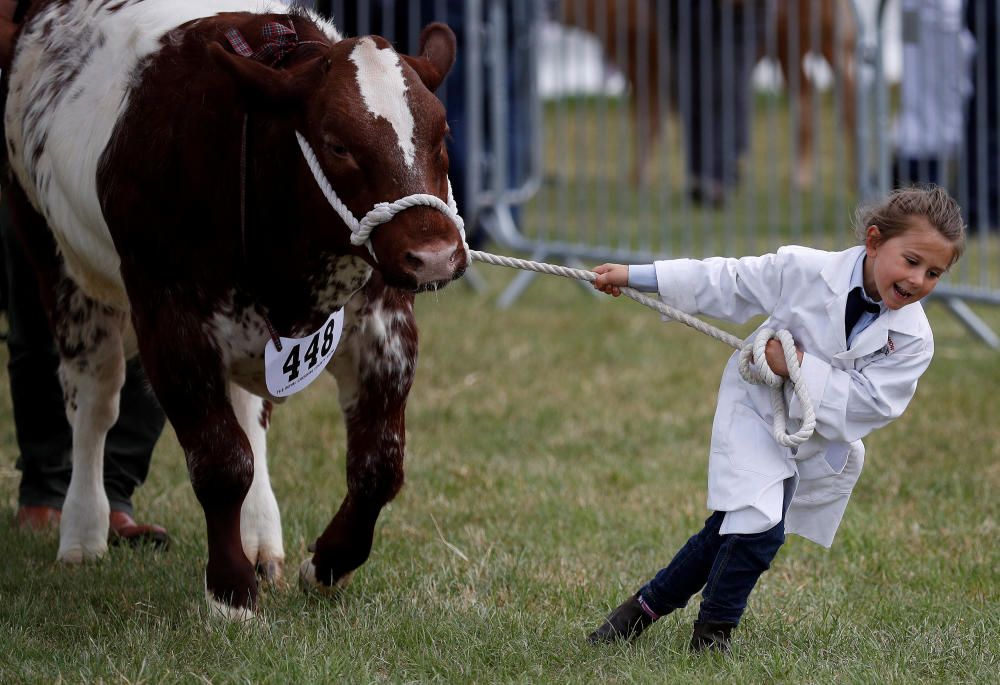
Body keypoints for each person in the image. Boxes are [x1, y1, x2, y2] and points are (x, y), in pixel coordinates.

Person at [587, 186, 966, 652]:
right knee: (760, 528)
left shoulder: (914, 339)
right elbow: (727, 281)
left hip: (814, 437)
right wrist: (636, 276)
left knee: (730, 529)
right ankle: (712, 637)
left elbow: (872, 404)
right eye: (911, 261)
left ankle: (638, 612)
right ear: (873, 242)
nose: (919, 280)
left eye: (934, 273)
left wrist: (797, 367)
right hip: (757, 410)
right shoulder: (803, 270)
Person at [1, 0, 169, 546]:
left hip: (154, 75)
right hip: (47, 80)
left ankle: (113, 492)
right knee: (42, 291)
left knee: (160, 295)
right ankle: (46, 492)